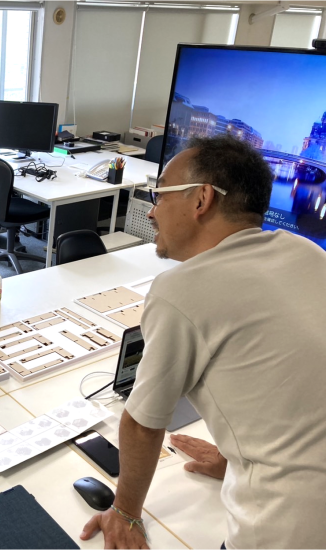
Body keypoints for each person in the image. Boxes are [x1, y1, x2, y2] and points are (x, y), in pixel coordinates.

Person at [80, 135, 326, 549]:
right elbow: (290, 384)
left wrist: (123, 513)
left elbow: (142, 423)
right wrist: (232, 457)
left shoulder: (182, 289)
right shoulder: (305, 252)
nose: (153, 212)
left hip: (289, 523)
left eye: (159, 196)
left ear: (201, 200)